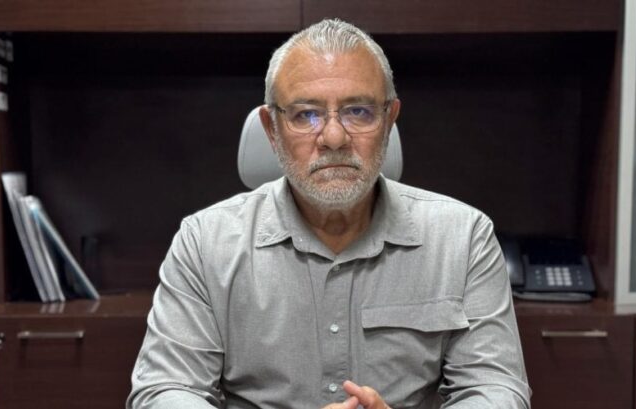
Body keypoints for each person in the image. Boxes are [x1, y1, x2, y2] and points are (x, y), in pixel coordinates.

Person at [127, 18, 531, 409]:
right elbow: (164, 390)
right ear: (271, 129)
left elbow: (496, 390)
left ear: (389, 120)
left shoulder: (463, 237)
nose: (334, 137)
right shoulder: (205, 243)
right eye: (306, 114)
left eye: (359, 112)